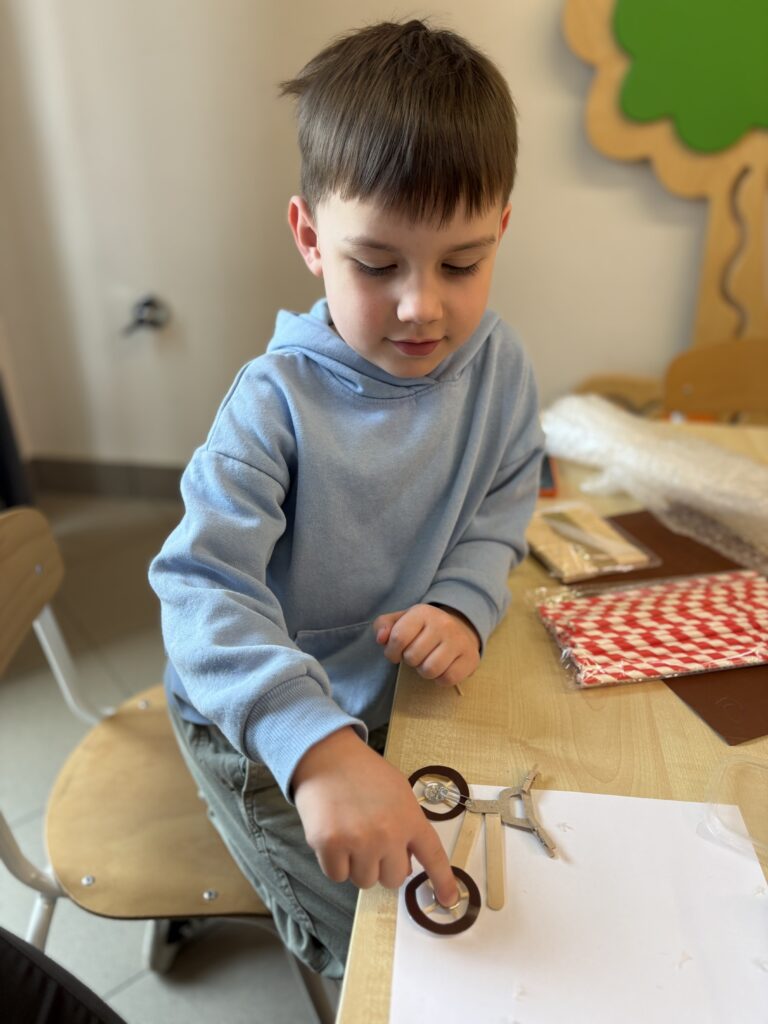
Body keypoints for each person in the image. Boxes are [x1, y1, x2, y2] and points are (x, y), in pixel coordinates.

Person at [149, 18, 543, 979]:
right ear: (310, 238)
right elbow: (200, 589)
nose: (423, 306)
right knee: (388, 954)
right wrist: (317, 750)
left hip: (383, 692)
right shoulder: (271, 404)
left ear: (501, 229)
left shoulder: (500, 365)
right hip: (254, 713)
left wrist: (463, 600)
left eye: (461, 264)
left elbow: (505, 498)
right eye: (377, 265)